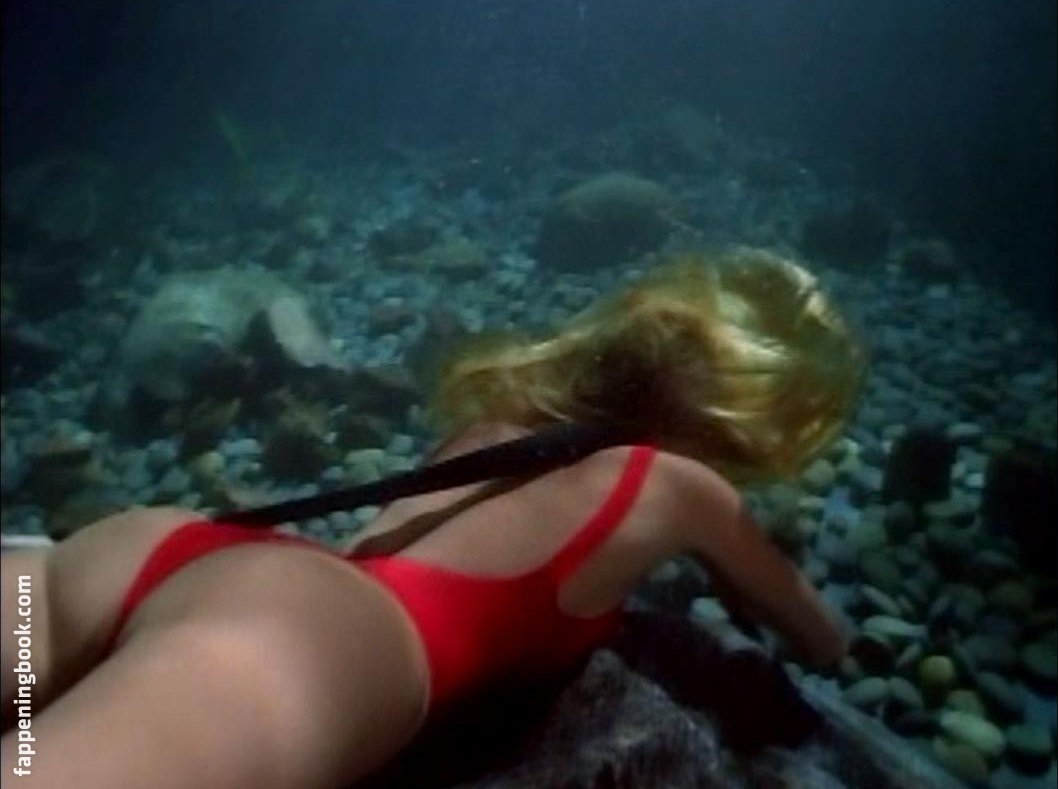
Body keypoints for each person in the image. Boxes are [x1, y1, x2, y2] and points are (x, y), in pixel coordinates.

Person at [1, 247, 865, 789]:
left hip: (164, 551)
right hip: (305, 652)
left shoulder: (496, 428)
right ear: (749, 415)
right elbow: (820, 635)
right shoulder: (675, 485)